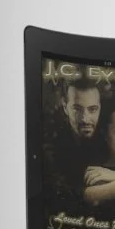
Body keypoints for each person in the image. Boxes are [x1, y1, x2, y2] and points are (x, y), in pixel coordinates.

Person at [41, 79, 103, 210]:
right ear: (65, 107)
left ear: (100, 108)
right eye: (77, 109)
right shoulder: (50, 144)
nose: (85, 119)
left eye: (92, 110)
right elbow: (67, 196)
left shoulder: (107, 131)